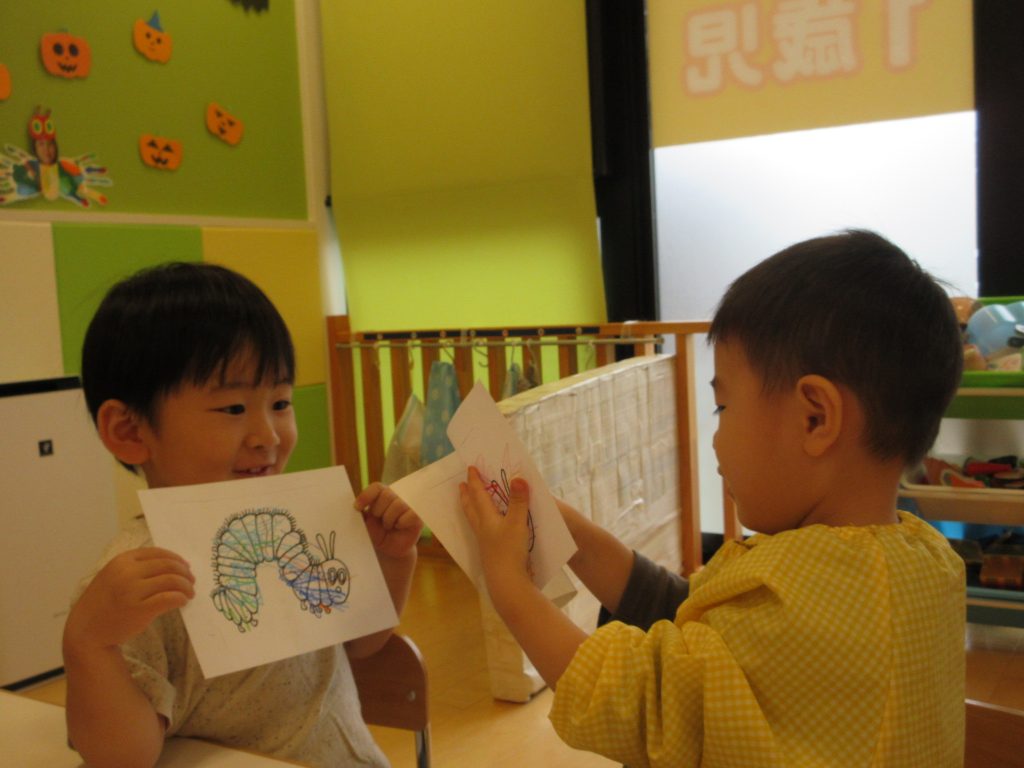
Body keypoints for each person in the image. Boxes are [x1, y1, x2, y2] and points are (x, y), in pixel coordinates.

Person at [461, 229, 967, 767]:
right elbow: (688, 614)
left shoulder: (802, 602)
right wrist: (570, 534)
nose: (716, 438)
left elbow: (638, 704)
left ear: (815, 418)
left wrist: (511, 588)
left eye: (723, 408)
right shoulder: (926, 563)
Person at [63, 262, 422, 768]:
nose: (268, 436)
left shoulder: (298, 525)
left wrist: (392, 559)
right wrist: (89, 643)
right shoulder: (131, 586)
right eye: (233, 409)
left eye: (280, 402)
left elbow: (363, 643)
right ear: (130, 430)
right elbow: (124, 757)